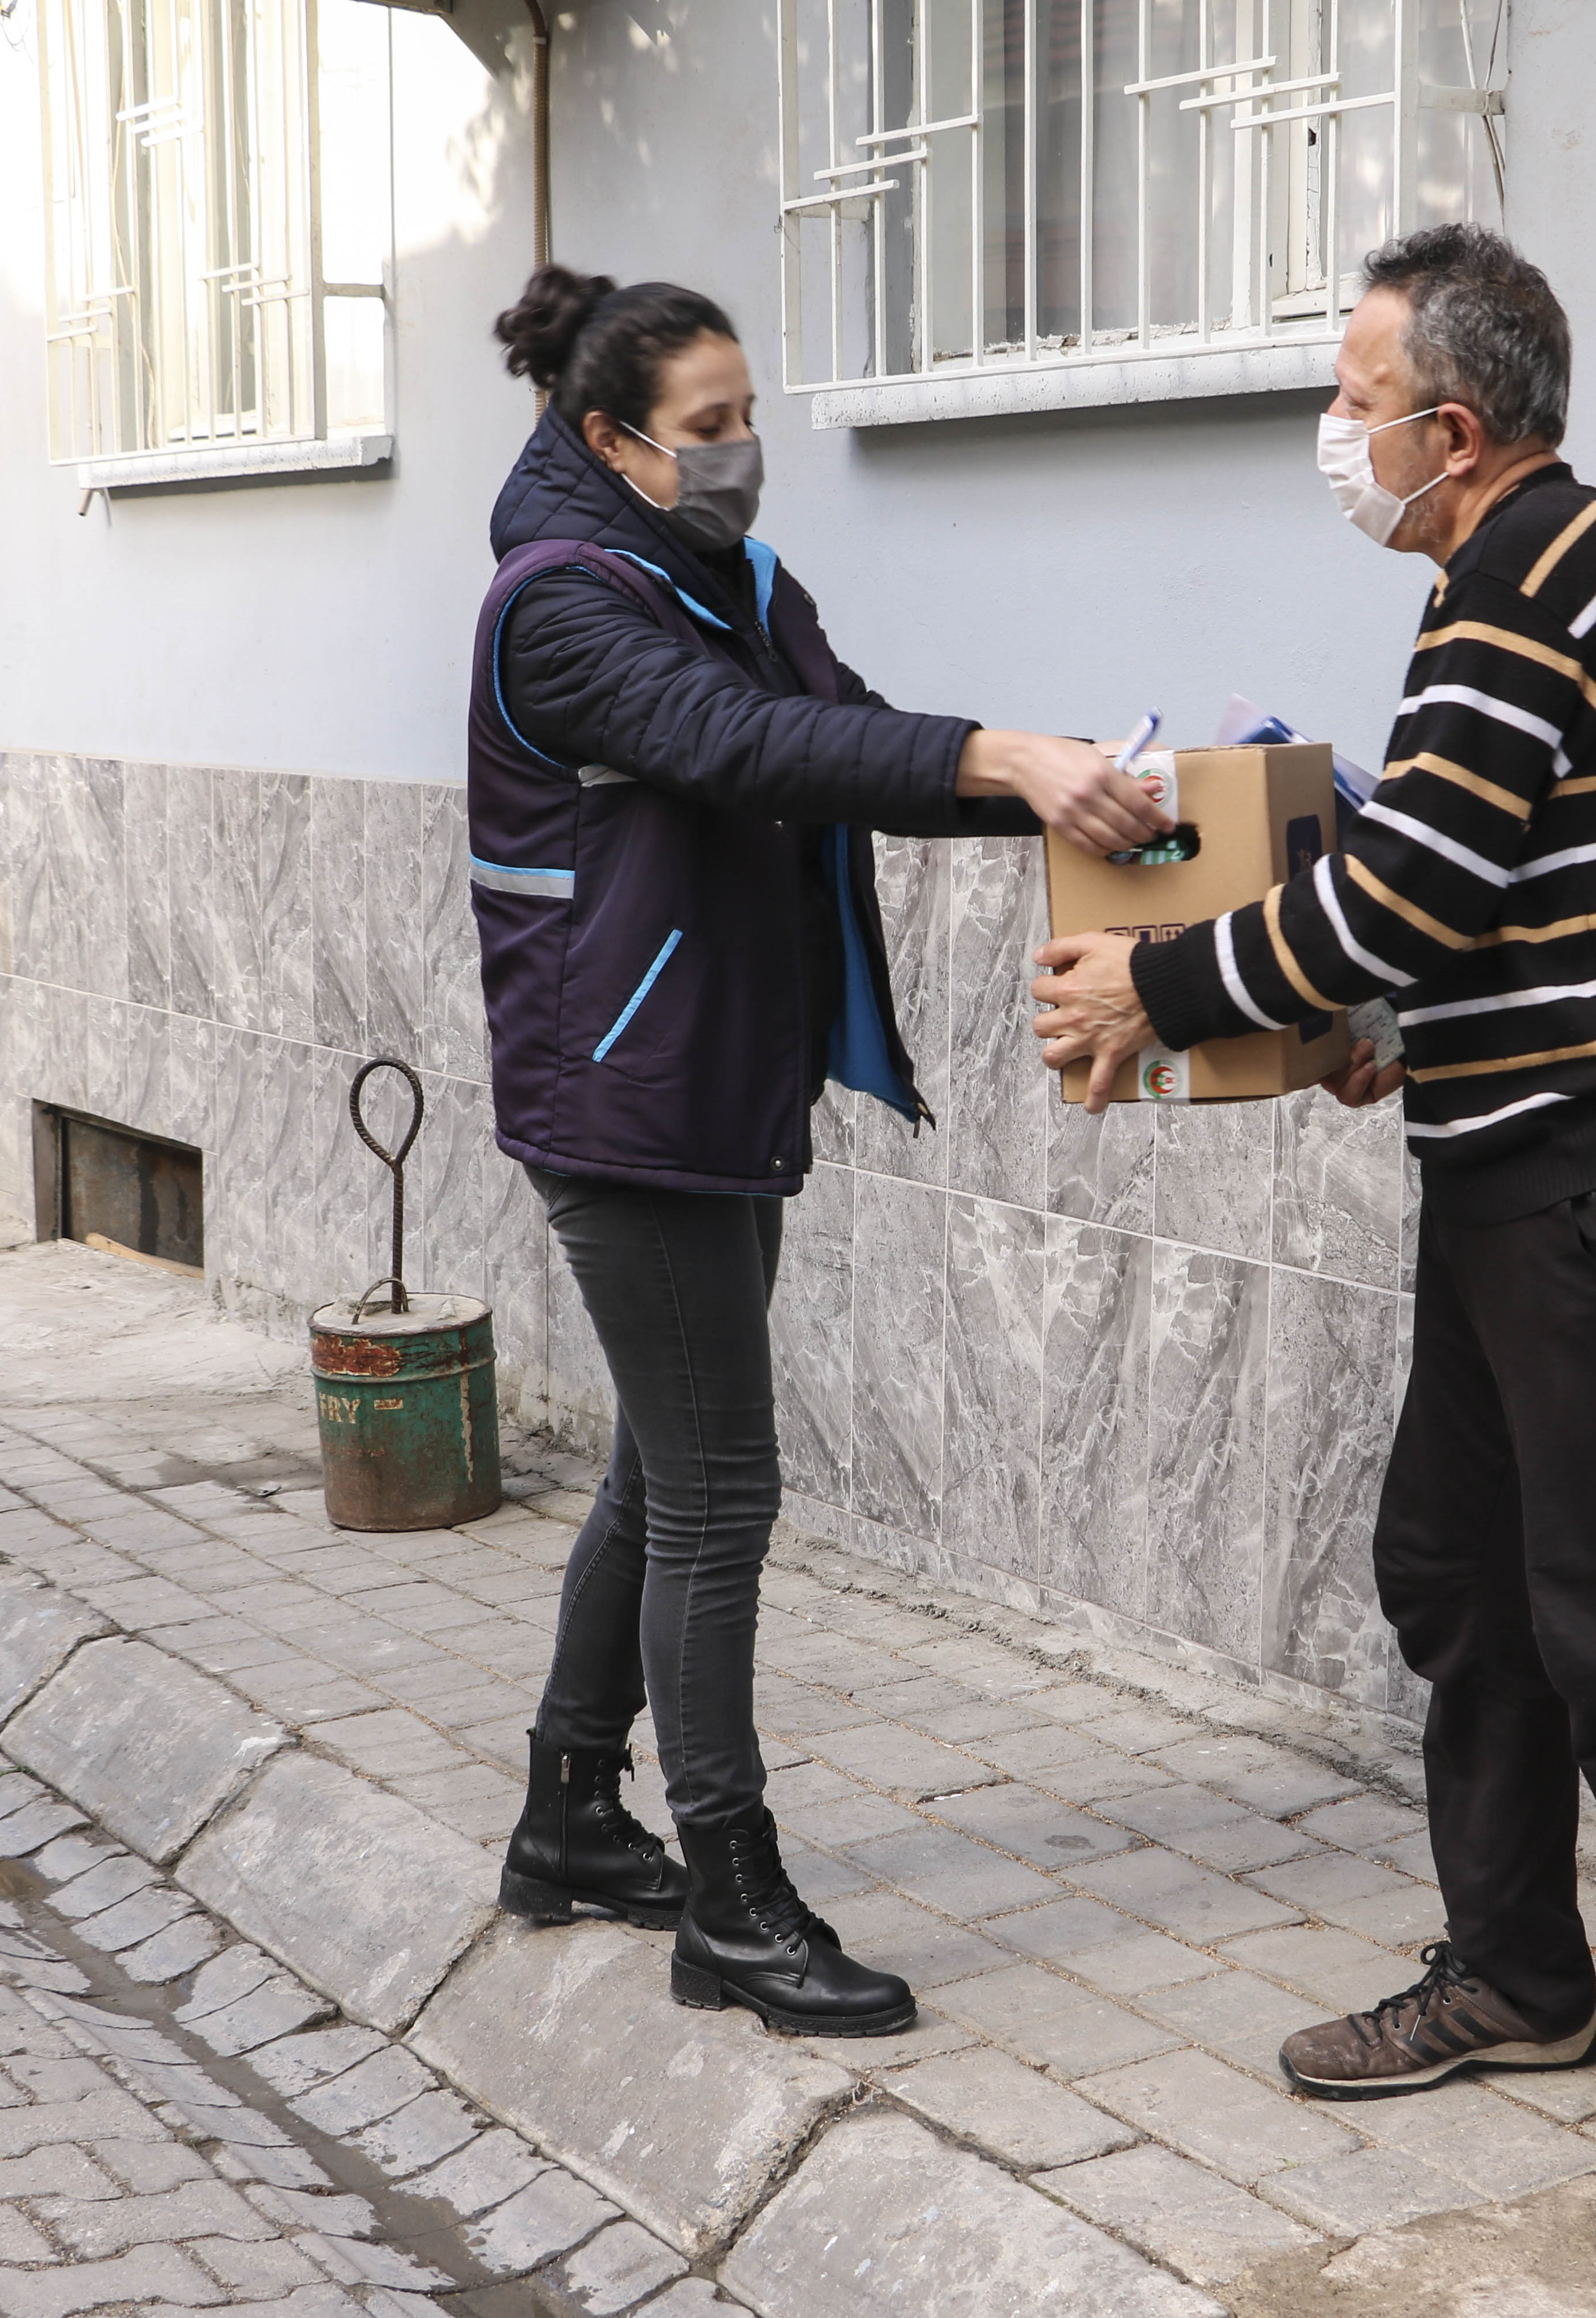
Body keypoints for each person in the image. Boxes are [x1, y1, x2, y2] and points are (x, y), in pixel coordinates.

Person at [1029, 225, 1596, 2268]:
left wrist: (1164, 987)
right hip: (1520, 1166)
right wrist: (1389, 1034)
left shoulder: (1528, 592)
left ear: (1450, 430)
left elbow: (1407, 892)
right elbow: (1477, 908)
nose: (1335, 431)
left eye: (1352, 397)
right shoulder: (1526, 575)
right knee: (1457, 1575)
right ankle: (1521, 1975)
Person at [469, 265, 1165, 2039]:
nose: (745, 453)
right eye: (709, 430)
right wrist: (1003, 757)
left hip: (715, 1080)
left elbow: (844, 739)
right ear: (610, 440)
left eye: (750, 415)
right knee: (720, 1493)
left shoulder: (734, 580)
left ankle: (566, 1820)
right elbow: (738, 744)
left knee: (663, 1465)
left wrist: (1055, 788)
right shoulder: (559, 604)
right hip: (626, 1101)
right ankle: (730, 1898)